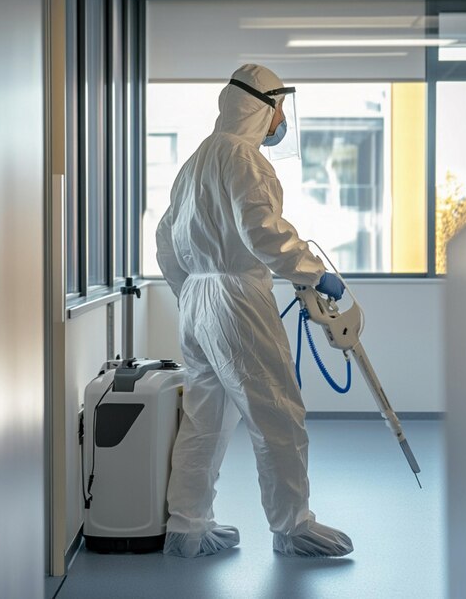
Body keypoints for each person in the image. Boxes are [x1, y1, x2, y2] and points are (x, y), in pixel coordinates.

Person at [155, 64, 352, 559]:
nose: (280, 120)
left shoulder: (197, 160)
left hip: (198, 301)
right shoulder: (244, 159)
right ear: (259, 107)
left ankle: (187, 527)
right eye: (278, 108)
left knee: (204, 419)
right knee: (277, 413)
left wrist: (192, 292)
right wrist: (312, 272)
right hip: (237, 298)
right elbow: (262, 232)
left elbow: (164, 241)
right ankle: (292, 526)